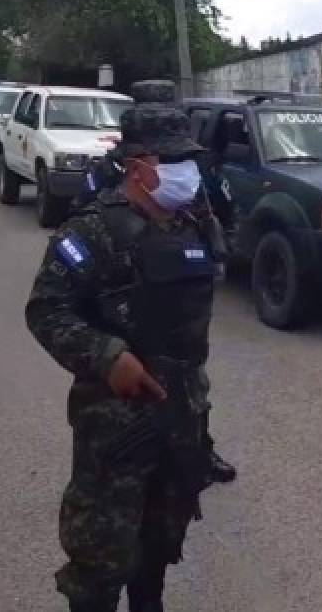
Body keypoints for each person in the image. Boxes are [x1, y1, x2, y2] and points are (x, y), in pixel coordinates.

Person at [26, 99, 226, 611]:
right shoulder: (93, 231)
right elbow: (47, 309)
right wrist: (106, 353)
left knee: (160, 539)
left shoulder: (193, 224)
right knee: (101, 552)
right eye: (173, 161)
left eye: (190, 160)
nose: (188, 172)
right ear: (138, 169)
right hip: (116, 425)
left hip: (181, 411)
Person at [74, 81, 237, 486]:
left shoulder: (185, 165)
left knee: (192, 378)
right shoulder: (110, 169)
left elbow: (212, 207)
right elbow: (86, 212)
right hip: (130, 291)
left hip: (180, 290)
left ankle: (198, 447)